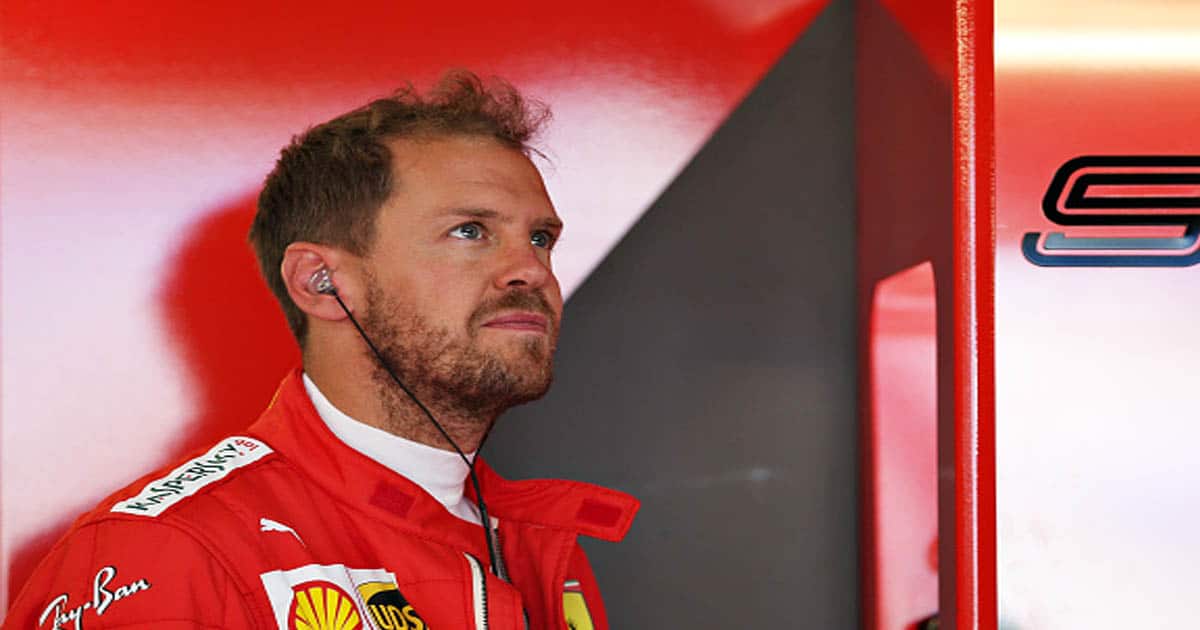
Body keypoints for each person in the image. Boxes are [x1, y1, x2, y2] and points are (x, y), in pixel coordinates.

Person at [4, 71, 639, 630]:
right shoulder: (169, 552)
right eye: (470, 231)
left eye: (540, 238)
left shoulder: (538, 544)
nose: (528, 270)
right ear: (321, 283)